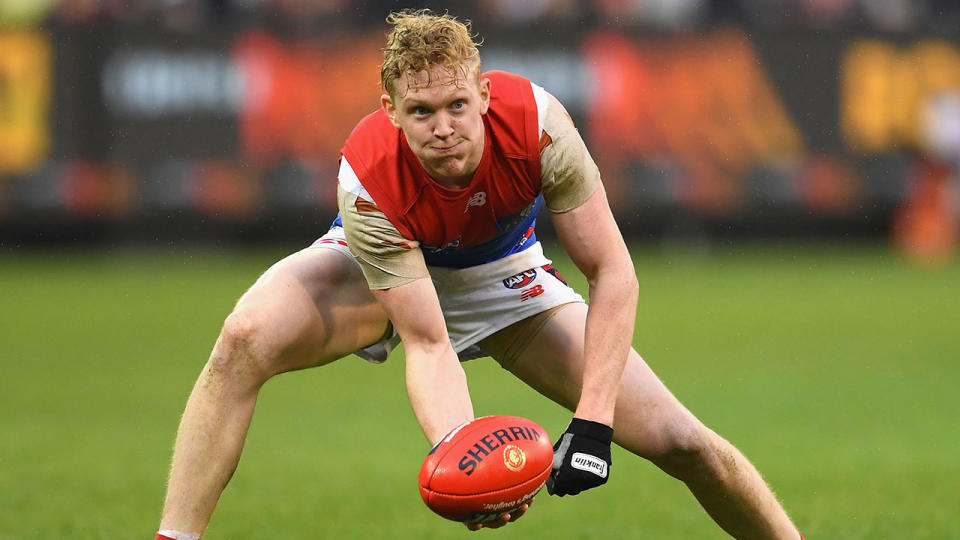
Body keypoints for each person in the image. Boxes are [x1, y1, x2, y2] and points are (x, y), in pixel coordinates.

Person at [156, 9, 802, 540]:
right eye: (421, 113)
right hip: (385, 270)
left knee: (685, 444)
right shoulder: (368, 178)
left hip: (503, 272)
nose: (443, 129)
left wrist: (595, 422)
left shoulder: (541, 127)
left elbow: (612, 271)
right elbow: (429, 340)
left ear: (485, 95)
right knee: (244, 337)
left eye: (457, 105)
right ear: (390, 110)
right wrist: (465, 460)